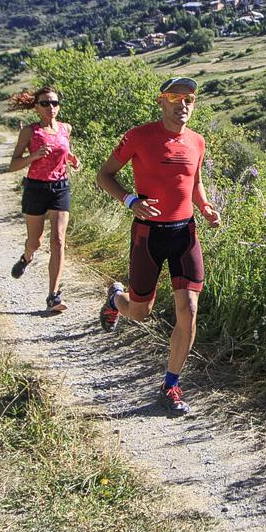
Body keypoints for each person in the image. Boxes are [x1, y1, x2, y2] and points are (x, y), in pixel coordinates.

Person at [95, 75, 221, 412]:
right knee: (139, 313)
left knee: (189, 309)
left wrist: (205, 207)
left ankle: (170, 386)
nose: (183, 104)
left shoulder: (197, 141)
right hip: (148, 235)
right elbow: (104, 175)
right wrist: (130, 201)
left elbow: (194, 182)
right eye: (175, 97)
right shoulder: (139, 136)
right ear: (160, 101)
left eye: (190, 99)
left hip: (185, 234)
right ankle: (115, 299)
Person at [8, 85, 79, 314]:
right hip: (36, 188)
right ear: (36, 107)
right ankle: (27, 257)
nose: (51, 107)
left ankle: (53, 295)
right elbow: (13, 164)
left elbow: (63, 152)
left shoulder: (65, 128)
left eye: (55, 103)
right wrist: (33, 156)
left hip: (60, 187)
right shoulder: (30, 131)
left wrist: (72, 160)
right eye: (45, 103)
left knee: (58, 240)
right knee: (35, 241)